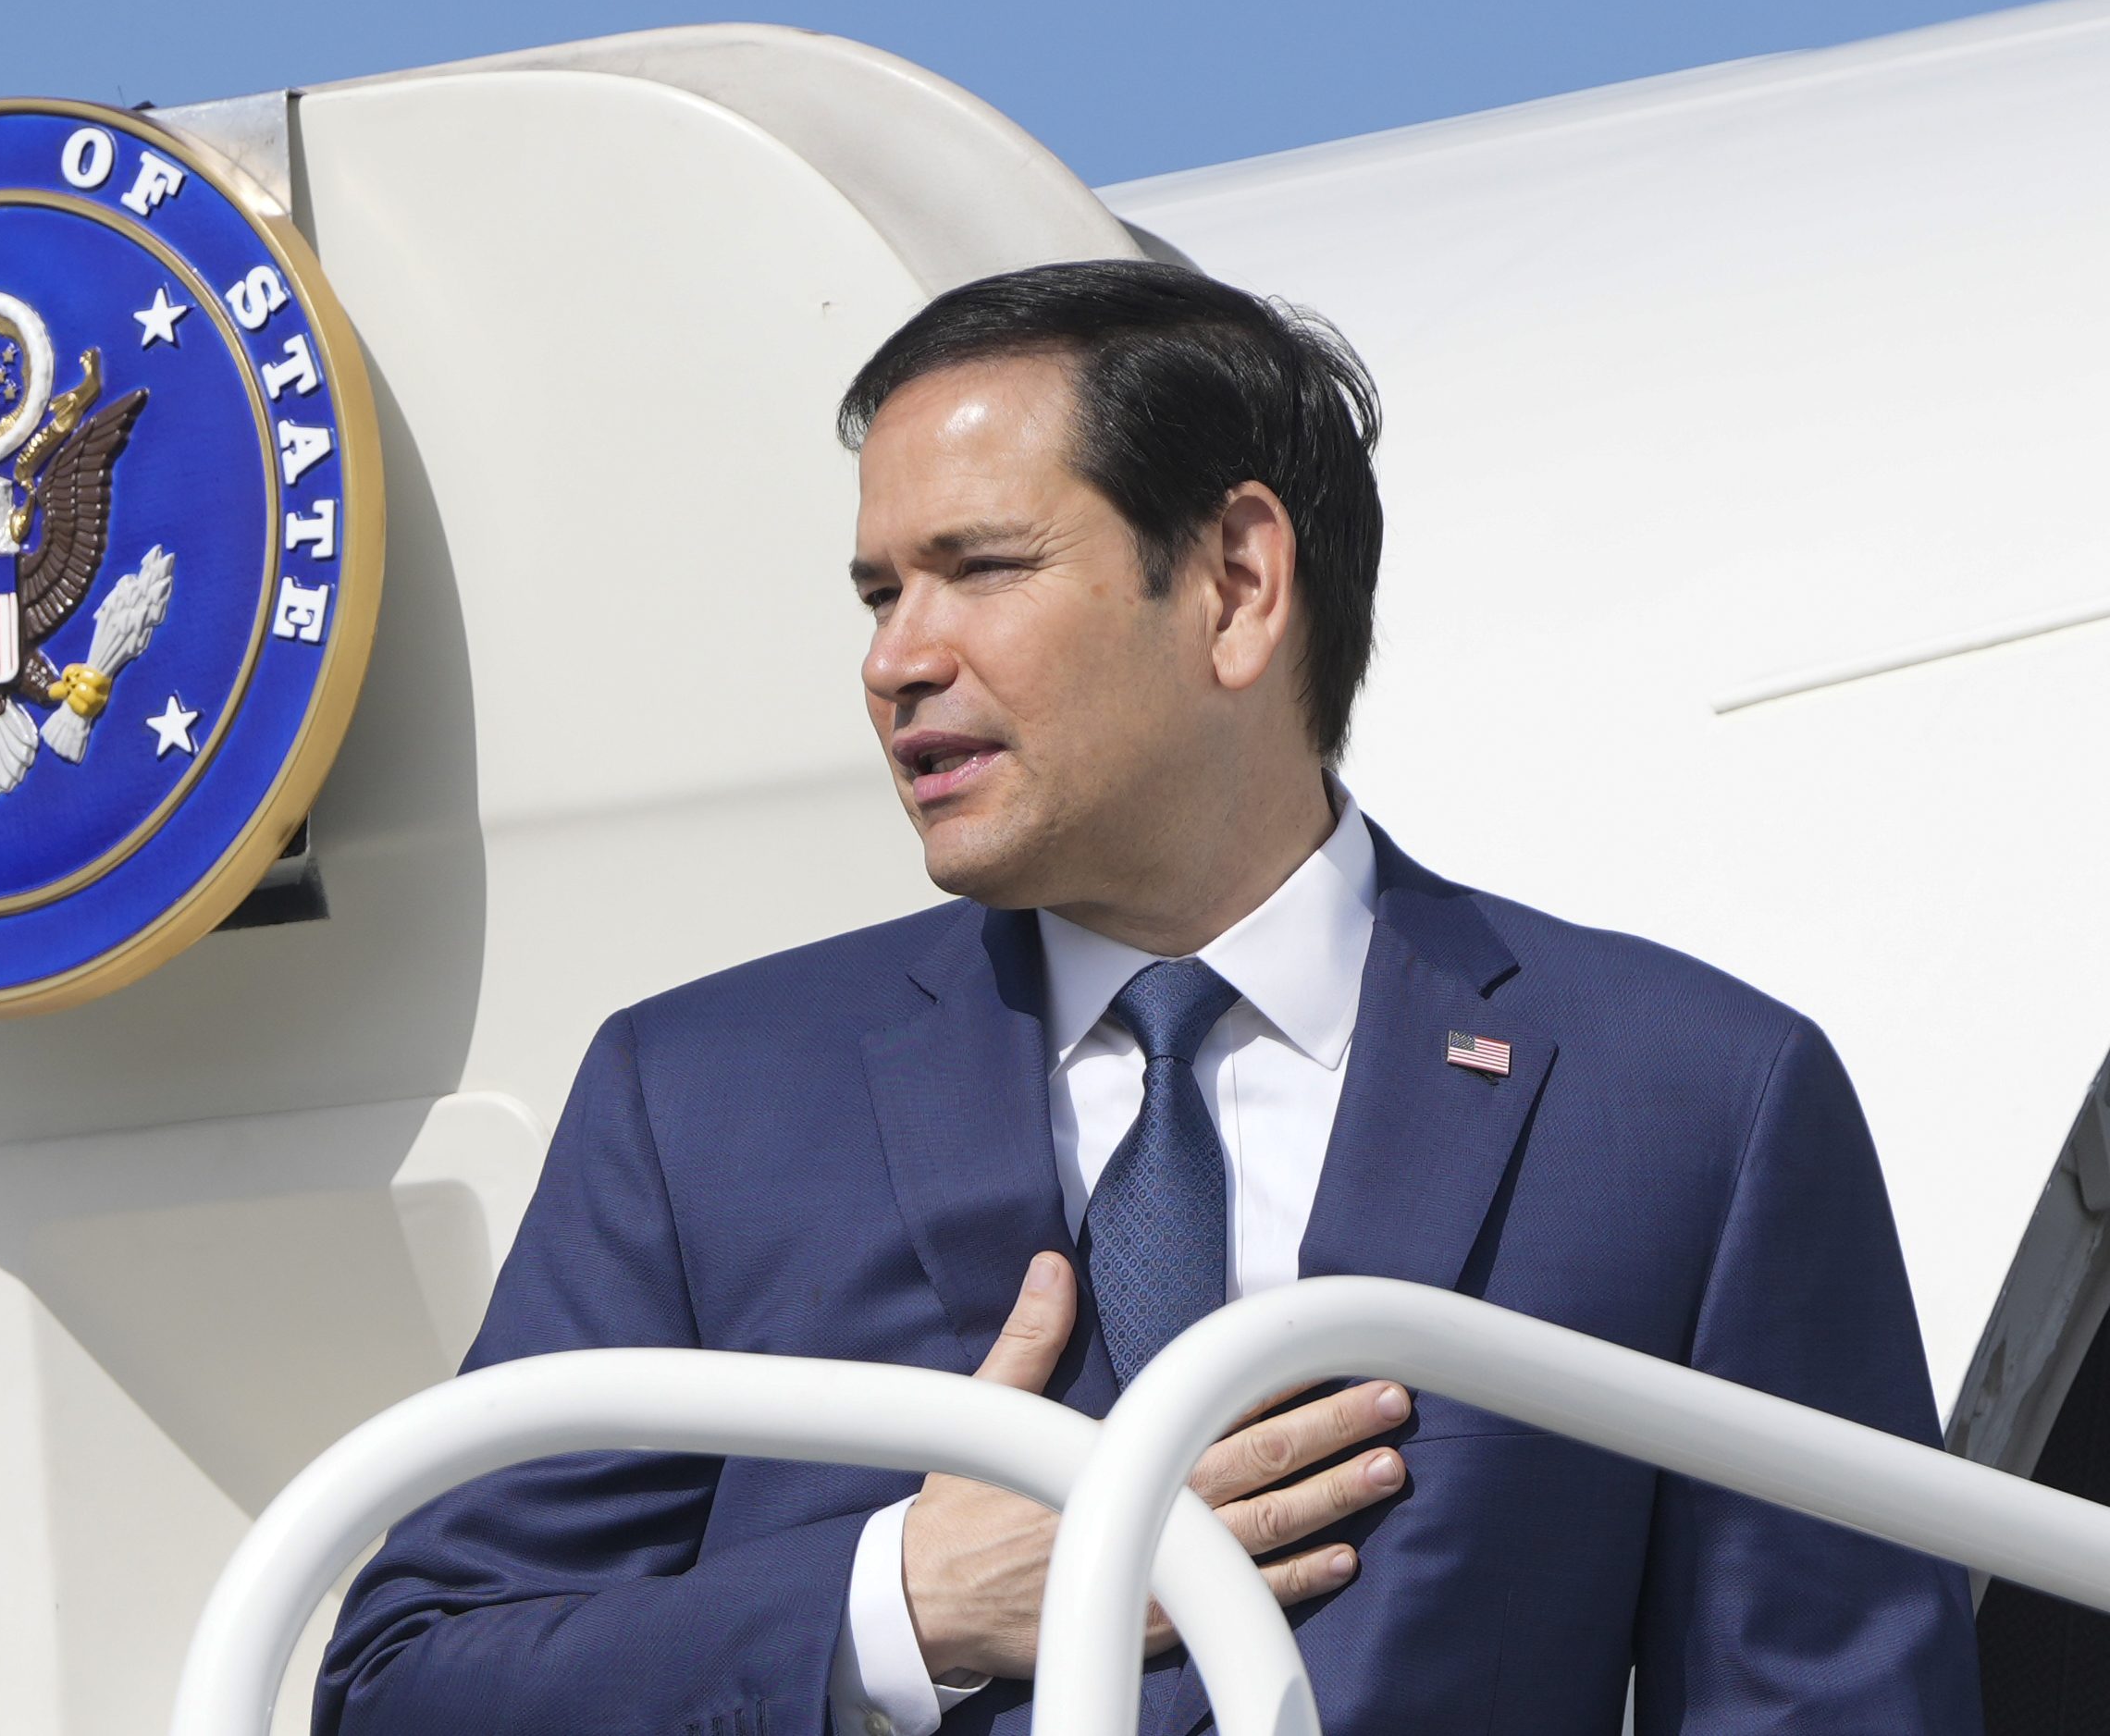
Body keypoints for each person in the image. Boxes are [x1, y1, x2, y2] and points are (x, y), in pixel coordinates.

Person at [314, 261, 1980, 1733]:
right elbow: (411, 1683)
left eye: (980, 566)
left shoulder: (1691, 1103)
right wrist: (907, 1601)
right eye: (881, 592)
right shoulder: (698, 1102)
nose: (899, 655)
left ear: (1240, 583)